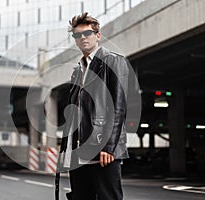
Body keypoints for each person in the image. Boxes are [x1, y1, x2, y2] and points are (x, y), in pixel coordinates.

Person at [60, 12, 130, 200]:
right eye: (77, 35)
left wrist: (109, 146)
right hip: (78, 151)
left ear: (97, 35)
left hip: (102, 149)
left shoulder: (114, 61)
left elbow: (118, 107)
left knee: (108, 197)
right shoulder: (78, 70)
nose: (83, 38)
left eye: (87, 33)